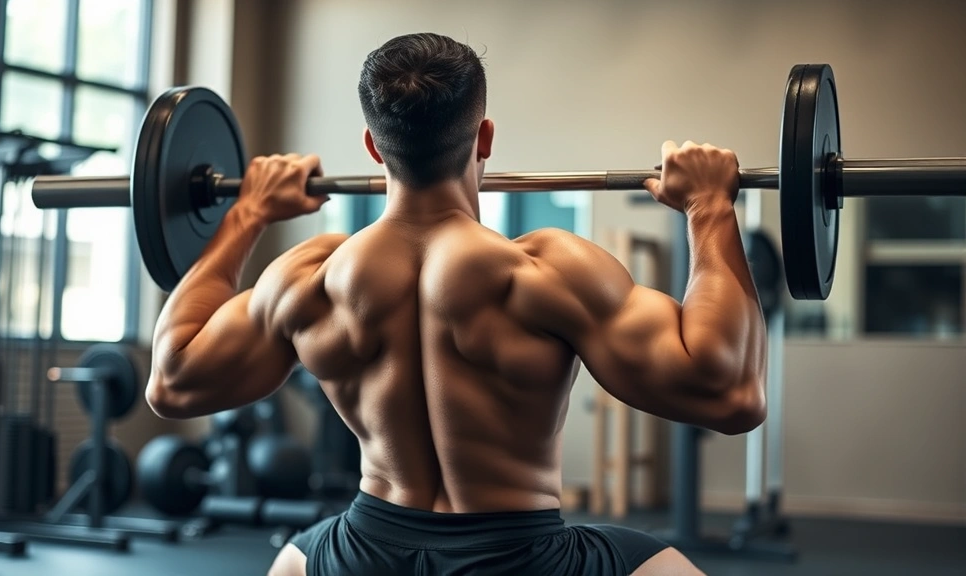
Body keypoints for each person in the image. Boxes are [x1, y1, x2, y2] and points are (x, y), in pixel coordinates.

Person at [146, 32, 767, 576]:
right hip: (520, 554)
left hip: (367, 548)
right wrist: (709, 207)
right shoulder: (545, 270)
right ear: (484, 136)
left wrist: (247, 214)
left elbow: (172, 381)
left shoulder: (311, 278)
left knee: (294, 561)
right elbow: (731, 393)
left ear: (372, 145)